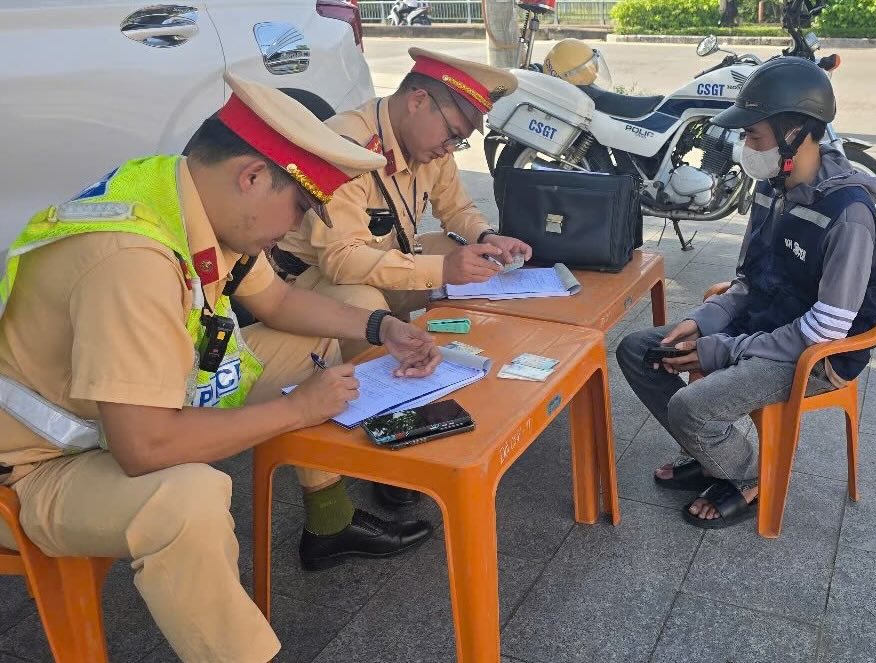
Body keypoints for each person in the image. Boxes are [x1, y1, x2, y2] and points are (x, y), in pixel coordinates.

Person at [0, 74, 441, 662]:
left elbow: (278, 302)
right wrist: (297, 408)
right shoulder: (132, 260)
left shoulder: (181, 195)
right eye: (300, 207)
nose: (296, 228)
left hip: (131, 405)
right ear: (253, 176)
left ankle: (329, 524)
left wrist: (380, 329)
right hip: (37, 469)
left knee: (348, 313)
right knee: (187, 500)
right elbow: (146, 447)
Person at [616, 57, 876, 529]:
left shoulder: (849, 214)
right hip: (771, 325)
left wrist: (722, 349)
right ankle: (714, 457)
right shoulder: (772, 187)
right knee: (638, 350)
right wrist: (705, 321)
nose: (746, 147)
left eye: (754, 136)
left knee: (689, 406)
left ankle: (747, 476)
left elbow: (825, 329)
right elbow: (747, 280)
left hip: (820, 354)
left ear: (798, 134)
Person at [274, 49, 531, 508]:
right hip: (304, 282)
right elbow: (339, 260)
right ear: (417, 101)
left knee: (456, 251)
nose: (450, 149)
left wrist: (489, 237)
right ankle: (384, 435)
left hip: (382, 257)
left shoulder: (428, 143)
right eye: (453, 134)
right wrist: (442, 269)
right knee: (362, 296)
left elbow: (455, 208)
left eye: (460, 142)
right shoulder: (347, 144)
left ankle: (442, 376)